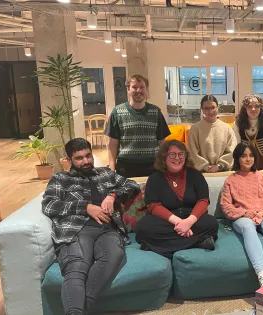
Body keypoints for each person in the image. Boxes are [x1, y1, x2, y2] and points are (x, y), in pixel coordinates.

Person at [42, 138, 140, 315]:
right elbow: (49, 205)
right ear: (69, 159)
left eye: (88, 156)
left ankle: (80, 309)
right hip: (77, 229)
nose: (86, 161)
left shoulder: (105, 174)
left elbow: (132, 185)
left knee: (114, 256)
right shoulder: (61, 178)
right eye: (79, 158)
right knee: (77, 265)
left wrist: (113, 195)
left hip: (108, 229)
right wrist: (85, 207)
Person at [135, 140, 219, 259]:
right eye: (172, 154)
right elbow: (153, 206)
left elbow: (203, 201)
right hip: (166, 220)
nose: (177, 158)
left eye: (181, 154)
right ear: (164, 157)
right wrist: (179, 223)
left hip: (191, 217)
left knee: (211, 223)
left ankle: (156, 246)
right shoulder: (155, 178)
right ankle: (198, 242)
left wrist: (188, 222)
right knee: (143, 227)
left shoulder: (195, 175)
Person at [220, 143, 263, 286]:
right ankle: (262, 276)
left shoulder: (261, 177)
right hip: (243, 217)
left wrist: (260, 215)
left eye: (251, 155)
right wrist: (245, 213)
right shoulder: (230, 180)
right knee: (248, 227)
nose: (248, 159)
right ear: (237, 158)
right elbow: (226, 206)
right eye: (244, 156)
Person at [105, 74, 170, 178]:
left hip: (152, 166)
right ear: (128, 89)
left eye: (142, 87)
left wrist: (164, 163)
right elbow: (112, 143)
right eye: (134, 87)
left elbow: (162, 142)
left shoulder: (156, 112)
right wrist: (112, 167)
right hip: (125, 167)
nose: (138, 90)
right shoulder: (117, 112)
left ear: (146, 89)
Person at [187, 95, 237, 172]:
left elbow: (232, 150)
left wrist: (220, 165)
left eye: (213, 107)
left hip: (223, 170)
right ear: (202, 109)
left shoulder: (226, 128)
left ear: (217, 107)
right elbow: (192, 152)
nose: (210, 111)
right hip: (201, 171)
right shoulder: (195, 129)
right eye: (206, 108)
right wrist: (205, 166)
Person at [232, 94, 263, 170]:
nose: (253, 109)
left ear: (261, 107)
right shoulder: (237, 124)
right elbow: (237, 148)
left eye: (257, 106)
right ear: (245, 108)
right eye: (249, 106)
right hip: (244, 165)